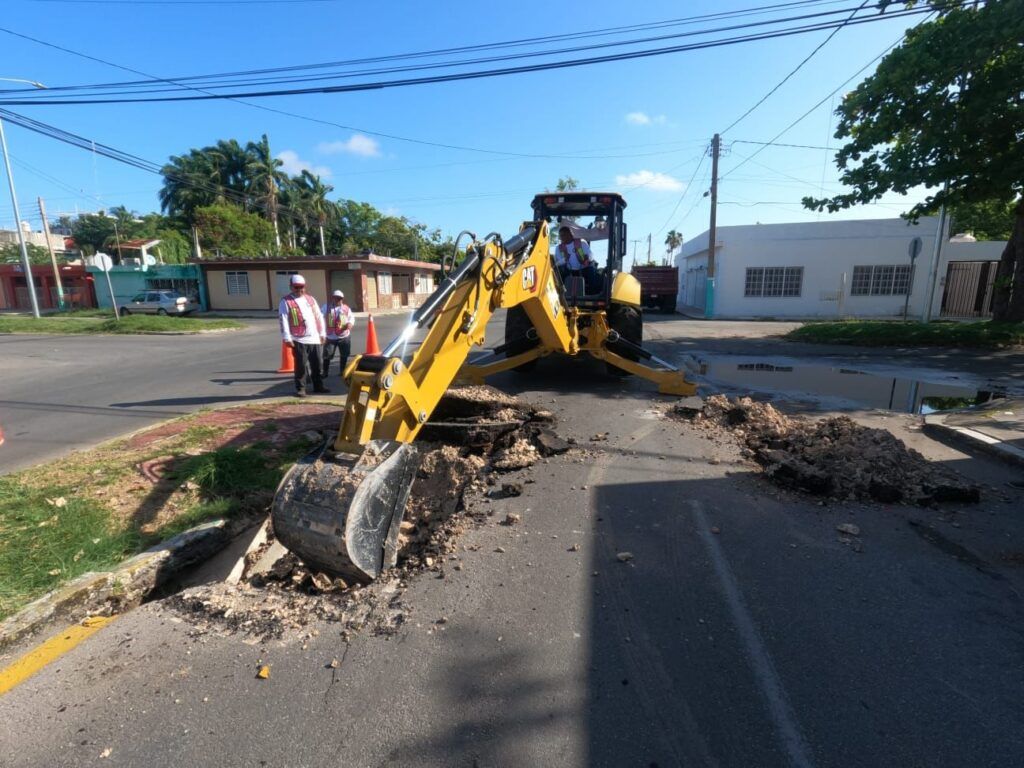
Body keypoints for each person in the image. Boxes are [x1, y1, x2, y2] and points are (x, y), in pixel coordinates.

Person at [279, 274, 329, 397]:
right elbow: (283, 319)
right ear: (291, 287)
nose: (299, 289)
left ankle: (318, 385)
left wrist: (322, 333)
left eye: (301, 287)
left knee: (317, 364)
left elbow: (319, 316)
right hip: (298, 338)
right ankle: (301, 388)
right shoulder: (286, 301)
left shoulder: (311, 299)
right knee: (301, 365)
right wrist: (287, 337)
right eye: (296, 287)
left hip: (314, 338)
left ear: (305, 287)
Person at [554, 225, 601, 294]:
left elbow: (591, 255)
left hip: (584, 269)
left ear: (570, 234)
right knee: (558, 272)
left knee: (591, 270)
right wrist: (565, 259)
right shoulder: (559, 248)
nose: (561, 237)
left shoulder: (582, 243)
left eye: (563, 235)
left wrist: (587, 257)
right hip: (568, 271)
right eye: (560, 236)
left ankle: (593, 293)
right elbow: (557, 263)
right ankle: (561, 294)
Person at [321, 289, 355, 382]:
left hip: (344, 336)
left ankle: (342, 371)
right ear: (333, 298)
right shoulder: (326, 307)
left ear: (342, 299)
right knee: (327, 355)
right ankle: (325, 372)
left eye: (339, 298)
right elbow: (320, 316)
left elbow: (351, 318)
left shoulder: (346, 308)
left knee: (344, 355)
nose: (337, 300)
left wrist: (350, 324)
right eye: (336, 298)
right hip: (331, 336)